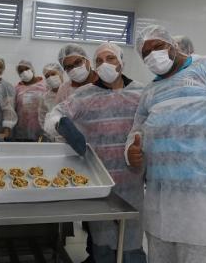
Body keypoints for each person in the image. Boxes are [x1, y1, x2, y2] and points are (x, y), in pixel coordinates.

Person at [126, 25, 206, 263]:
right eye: (146, 53)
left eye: (158, 47)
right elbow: (136, 129)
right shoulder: (151, 91)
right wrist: (130, 150)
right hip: (159, 198)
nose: (153, 54)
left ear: (172, 45)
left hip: (201, 199)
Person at [44, 43, 146, 263]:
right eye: (99, 61)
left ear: (121, 62)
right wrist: (61, 123)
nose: (104, 65)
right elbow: (53, 115)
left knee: (131, 245)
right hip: (99, 180)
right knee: (103, 245)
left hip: (133, 181)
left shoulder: (141, 92)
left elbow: (154, 126)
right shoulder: (84, 94)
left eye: (110, 59)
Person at [14, 59, 47, 141]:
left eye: (26, 69)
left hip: (42, 128)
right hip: (22, 130)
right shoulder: (17, 89)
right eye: (21, 71)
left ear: (32, 69)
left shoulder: (45, 85)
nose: (24, 72)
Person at [38, 62, 64, 140]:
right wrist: (51, 134)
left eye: (53, 74)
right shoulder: (45, 98)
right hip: (54, 138)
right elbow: (42, 119)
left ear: (61, 73)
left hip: (73, 135)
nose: (50, 77)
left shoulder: (70, 91)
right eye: (47, 76)